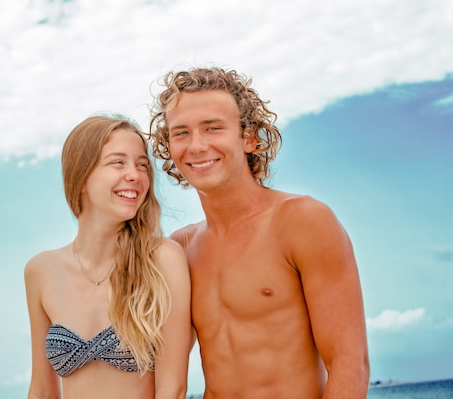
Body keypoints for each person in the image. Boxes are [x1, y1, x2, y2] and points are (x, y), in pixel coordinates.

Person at [149, 67, 369, 399]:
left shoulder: (303, 221)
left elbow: (349, 363)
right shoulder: (179, 248)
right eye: (181, 133)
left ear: (249, 137)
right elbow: (158, 365)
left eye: (213, 128)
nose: (196, 146)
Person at [24, 115, 191, 399]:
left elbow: (172, 389)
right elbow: (41, 389)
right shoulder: (41, 271)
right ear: (81, 179)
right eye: (118, 162)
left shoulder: (163, 259)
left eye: (141, 165)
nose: (135, 175)